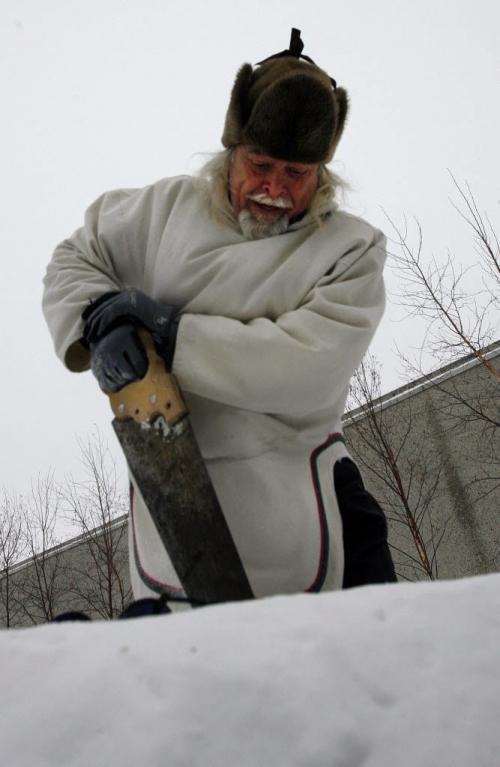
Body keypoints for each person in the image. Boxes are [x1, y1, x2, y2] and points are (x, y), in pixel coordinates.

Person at [43, 29, 396, 609]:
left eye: (296, 174)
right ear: (232, 152)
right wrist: (95, 324)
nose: (275, 188)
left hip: (305, 497)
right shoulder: (162, 212)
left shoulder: (350, 250)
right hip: (176, 485)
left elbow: (308, 368)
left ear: (321, 176)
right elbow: (74, 257)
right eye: (260, 164)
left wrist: (174, 333)